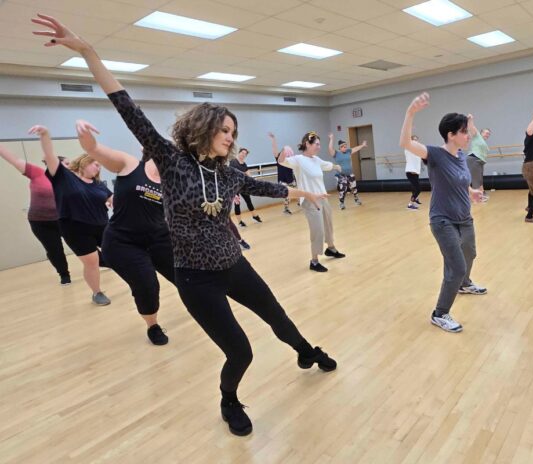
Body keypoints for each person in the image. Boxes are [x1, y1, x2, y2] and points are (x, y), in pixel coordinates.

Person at [34, 14, 337, 437]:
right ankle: (229, 400)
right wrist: (88, 51)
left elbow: (266, 187)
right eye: (225, 130)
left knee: (278, 318)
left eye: (234, 131)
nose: (231, 137)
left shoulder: (229, 173)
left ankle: (306, 352)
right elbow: (127, 106)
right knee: (241, 353)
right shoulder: (172, 163)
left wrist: (306, 194)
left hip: (234, 265)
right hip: (196, 279)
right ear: (205, 130)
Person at [75, 119, 173, 345]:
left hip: (158, 238)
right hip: (123, 242)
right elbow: (93, 149)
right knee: (148, 285)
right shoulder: (130, 165)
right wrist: (84, 134)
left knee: (187, 275)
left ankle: (204, 309)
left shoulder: (172, 181)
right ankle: (153, 326)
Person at [399, 92, 485, 334]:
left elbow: (458, 182)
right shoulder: (435, 155)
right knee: (456, 266)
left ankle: (464, 285)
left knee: (470, 253)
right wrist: (411, 113)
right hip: (443, 220)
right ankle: (440, 313)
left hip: (464, 218)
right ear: (451, 134)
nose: (468, 136)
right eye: (464, 132)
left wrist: (471, 192)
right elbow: (406, 143)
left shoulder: (460, 156)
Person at [30, 124, 112, 305]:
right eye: (95, 164)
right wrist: (45, 135)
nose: (98, 168)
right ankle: (97, 292)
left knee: (118, 253)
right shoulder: (64, 178)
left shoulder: (99, 184)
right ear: (85, 162)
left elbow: (114, 200)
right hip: (75, 228)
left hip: (102, 226)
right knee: (92, 262)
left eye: (100, 166)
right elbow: (50, 156)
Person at [0, 143, 71, 285]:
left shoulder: (71, 180)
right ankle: (64, 274)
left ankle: (104, 261)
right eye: (67, 163)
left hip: (63, 219)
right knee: (54, 249)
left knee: (82, 243)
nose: (70, 166)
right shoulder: (37, 173)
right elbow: (13, 159)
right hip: (40, 222)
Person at [279, 133, 345, 272]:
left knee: (328, 226)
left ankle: (331, 249)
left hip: (323, 198)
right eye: (317, 144)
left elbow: (326, 165)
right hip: (309, 201)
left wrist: (336, 166)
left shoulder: (316, 159)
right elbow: (281, 161)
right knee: (318, 230)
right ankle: (314, 261)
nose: (319, 147)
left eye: (320, 144)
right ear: (307, 144)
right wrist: (284, 149)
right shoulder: (298, 160)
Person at [328, 133, 366, 210]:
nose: (345, 148)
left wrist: (362, 145)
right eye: (344, 147)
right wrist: (331, 139)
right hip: (341, 175)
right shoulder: (336, 153)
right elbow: (330, 148)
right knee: (344, 188)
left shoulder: (348, 151)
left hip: (350, 174)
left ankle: (356, 199)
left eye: (346, 146)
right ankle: (341, 203)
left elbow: (355, 149)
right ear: (340, 147)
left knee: (354, 187)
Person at [230, 148, 261, 227]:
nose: (243, 155)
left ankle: (255, 216)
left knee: (248, 201)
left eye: (245, 154)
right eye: (242, 153)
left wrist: (254, 181)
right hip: (235, 186)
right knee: (237, 204)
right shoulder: (233, 162)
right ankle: (240, 222)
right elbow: (231, 173)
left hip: (243, 186)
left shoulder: (244, 164)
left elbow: (248, 174)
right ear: (239, 153)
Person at [268, 132, 296, 215]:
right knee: (287, 194)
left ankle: (297, 203)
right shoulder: (279, 159)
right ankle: (286, 209)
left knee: (294, 192)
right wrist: (273, 140)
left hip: (291, 179)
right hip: (282, 180)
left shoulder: (290, 160)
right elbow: (274, 149)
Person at [465, 115, 491, 202]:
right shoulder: (477, 136)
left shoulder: (485, 143)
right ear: (481, 133)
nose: (488, 134)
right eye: (486, 133)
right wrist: (470, 119)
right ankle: (477, 197)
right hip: (473, 159)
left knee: (480, 180)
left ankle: (481, 195)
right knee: (476, 180)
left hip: (480, 161)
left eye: (489, 134)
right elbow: (471, 127)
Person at [405, 135, 423, 210]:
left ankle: (415, 199)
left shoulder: (417, 151)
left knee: (414, 188)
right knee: (418, 189)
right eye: (414, 140)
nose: (416, 141)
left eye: (417, 140)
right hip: (410, 172)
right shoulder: (408, 148)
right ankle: (410, 204)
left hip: (415, 172)